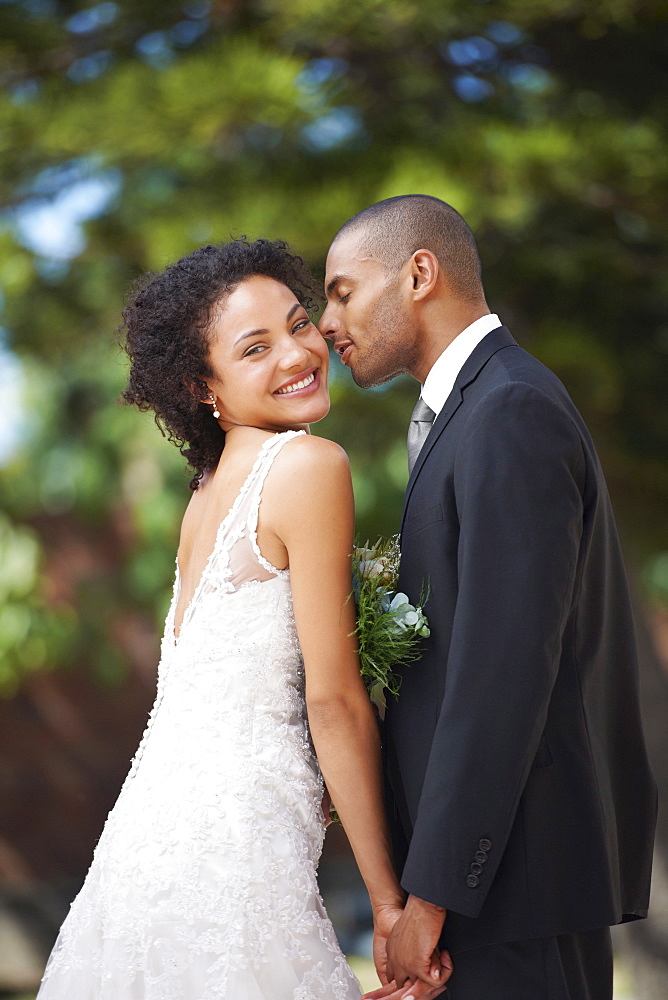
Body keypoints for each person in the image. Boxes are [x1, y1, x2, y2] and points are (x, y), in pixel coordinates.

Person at [36, 239, 427, 1000]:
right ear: (201, 386)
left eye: (298, 323)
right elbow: (333, 701)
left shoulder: (207, 494)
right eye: (256, 348)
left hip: (143, 853)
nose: (298, 353)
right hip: (233, 856)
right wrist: (388, 902)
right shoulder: (308, 467)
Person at [320, 195, 657, 1000]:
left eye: (341, 291)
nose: (328, 323)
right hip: (495, 892)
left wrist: (431, 896)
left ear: (420, 273)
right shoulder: (472, 409)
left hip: (516, 886)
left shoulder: (508, 409)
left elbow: (504, 672)